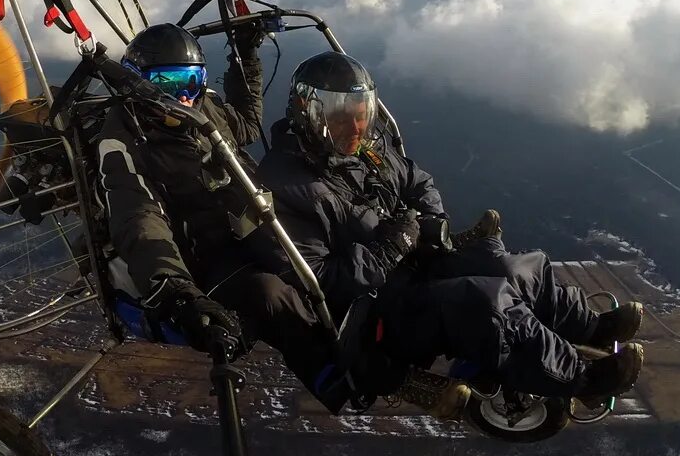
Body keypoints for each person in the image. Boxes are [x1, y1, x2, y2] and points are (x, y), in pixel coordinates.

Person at [254, 51, 644, 418]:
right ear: (311, 114)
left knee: (509, 264)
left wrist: (429, 223)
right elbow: (320, 281)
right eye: (343, 119)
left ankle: (591, 326)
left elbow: (417, 181)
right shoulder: (286, 186)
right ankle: (582, 380)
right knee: (484, 301)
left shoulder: (367, 149)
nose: (356, 127)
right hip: (379, 308)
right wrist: (392, 248)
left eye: (361, 115)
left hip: (418, 261)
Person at [94, 22, 451, 418]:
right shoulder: (124, 139)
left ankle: (406, 326)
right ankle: (348, 380)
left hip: (259, 219)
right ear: (137, 84)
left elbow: (245, 123)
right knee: (275, 295)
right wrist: (175, 290)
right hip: (212, 252)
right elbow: (140, 219)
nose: (182, 97)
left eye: (191, 81)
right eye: (166, 84)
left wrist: (245, 56)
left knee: (334, 252)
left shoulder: (202, 106)